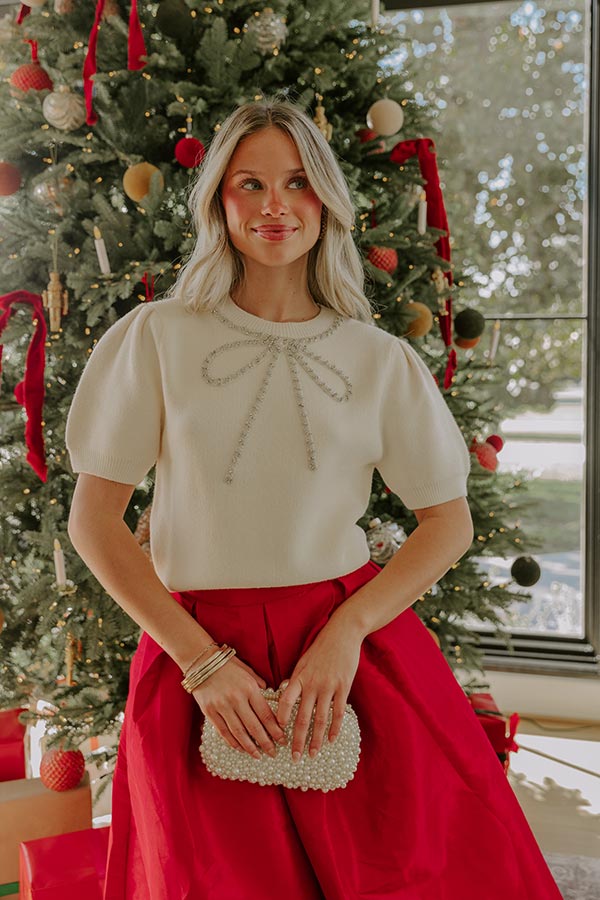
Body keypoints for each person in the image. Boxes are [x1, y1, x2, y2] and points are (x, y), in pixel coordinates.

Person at [65, 96, 563, 900]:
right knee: (210, 880)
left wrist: (349, 632)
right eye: (247, 183)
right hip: (197, 652)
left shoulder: (378, 359)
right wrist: (202, 664)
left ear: (326, 198)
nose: (273, 205)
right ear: (218, 202)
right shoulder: (156, 337)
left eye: (296, 182)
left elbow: (447, 522)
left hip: (343, 650)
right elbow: (93, 521)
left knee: (414, 871)